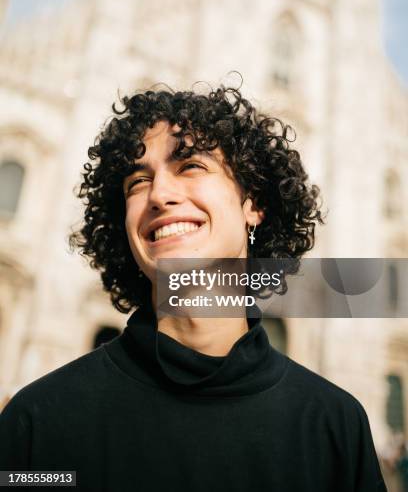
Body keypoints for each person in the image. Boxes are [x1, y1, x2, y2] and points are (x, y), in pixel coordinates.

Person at [0, 85, 387, 491]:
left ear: (253, 203)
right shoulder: (40, 422)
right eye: (137, 181)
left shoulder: (334, 426)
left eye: (190, 167)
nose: (159, 194)